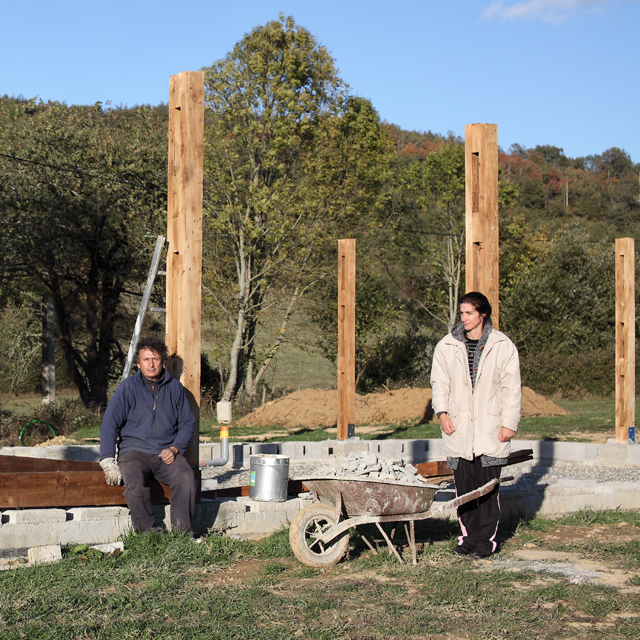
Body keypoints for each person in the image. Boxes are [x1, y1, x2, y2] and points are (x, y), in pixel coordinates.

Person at [430, 292, 521, 558]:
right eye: (462, 313)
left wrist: (509, 423)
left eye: (469, 313)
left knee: (487, 489)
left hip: (491, 428)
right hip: (458, 428)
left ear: (483, 314)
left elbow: (511, 388)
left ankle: (485, 542)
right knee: (465, 489)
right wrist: (443, 413)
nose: (464, 318)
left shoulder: (502, 345)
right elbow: (440, 383)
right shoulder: (447, 345)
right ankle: (467, 540)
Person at [99, 336, 196, 533]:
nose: (151, 364)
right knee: (134, 486)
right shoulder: (127, 387)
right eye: (146, 359)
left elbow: (187, 423)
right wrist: (107, 460)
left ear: (163, 362)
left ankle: (182, 535)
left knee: (186, 478)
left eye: (155, 359)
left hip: (165, 453)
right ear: (138, 363)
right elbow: (110, 423)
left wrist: (175, 448)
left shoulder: (175, 388)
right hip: (134, 453)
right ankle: (149, 535)